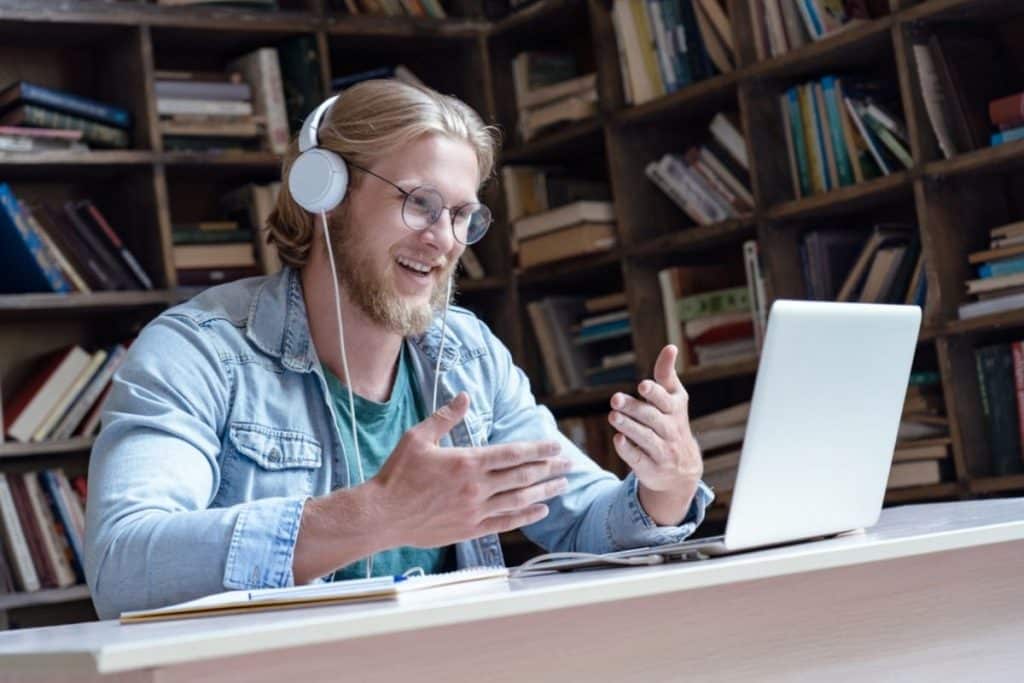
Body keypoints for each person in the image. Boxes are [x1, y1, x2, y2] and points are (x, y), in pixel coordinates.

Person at [84, 79, 712, 620]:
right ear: (324, 194)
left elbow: (580, 522)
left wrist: (666, 487)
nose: (444, 240)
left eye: (463, 215)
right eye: (420, 204)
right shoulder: (198, 353)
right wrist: (375, 515)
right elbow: (125, 562)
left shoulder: (468, 354)